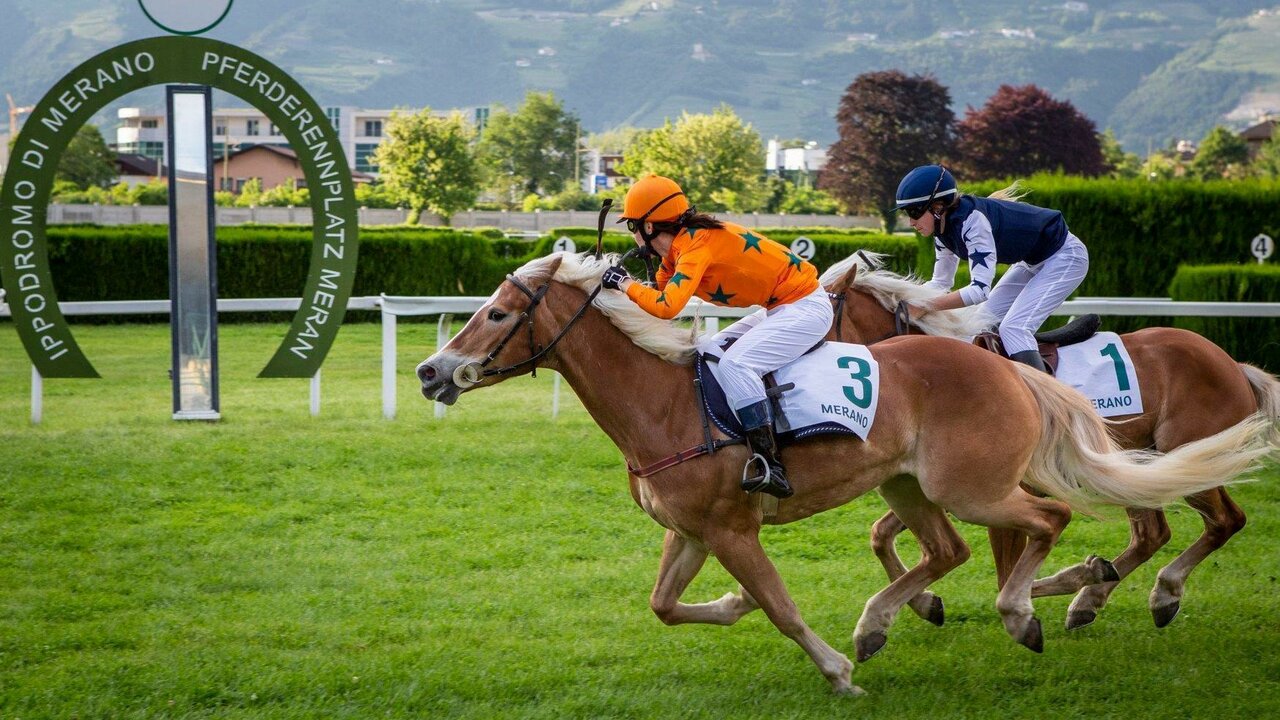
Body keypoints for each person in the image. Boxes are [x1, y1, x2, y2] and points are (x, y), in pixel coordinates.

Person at [599, 174, 832, 499]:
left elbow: (666, 307)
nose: (632, 235)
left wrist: (624, 283)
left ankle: (770, 463)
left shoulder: (694, 246)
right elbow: (657, 297)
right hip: (782, 308)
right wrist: (623, 288)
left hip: (806, 307)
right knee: (710, 350)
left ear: (648, 226)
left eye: (631, 226)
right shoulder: (677, 252)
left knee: (736, 364)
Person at [895, 164, 1089, 372]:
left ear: (938, 207)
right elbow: (940, 284)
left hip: (1066, 257)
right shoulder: (942, 231)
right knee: (979, 325)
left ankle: (1043, 392)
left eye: (915, 212)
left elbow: (979, 291)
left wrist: (925, 306)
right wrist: (902, 300)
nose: (911, 222)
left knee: (1014, 328)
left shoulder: (973, 221)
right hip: (1031, 262)